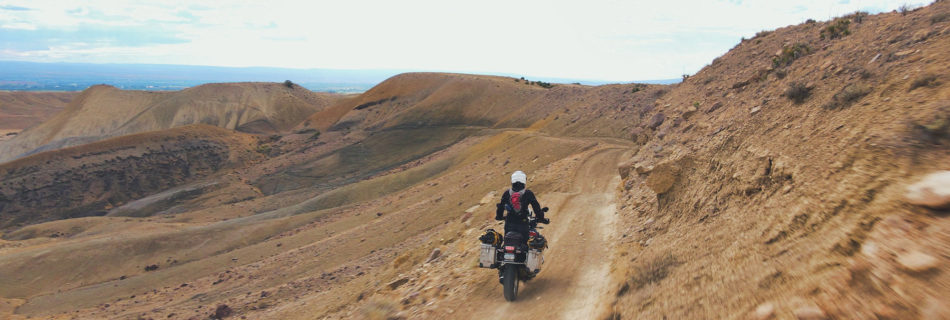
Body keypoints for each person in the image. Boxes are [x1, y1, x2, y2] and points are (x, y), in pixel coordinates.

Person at [495, 170, 549, 242]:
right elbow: (536, 208)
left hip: (509, 224)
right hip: (523, 224)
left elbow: (500, 207)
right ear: (524, 181)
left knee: (507, 242)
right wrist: (541, 218)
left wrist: (499, 216)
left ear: (512, 180)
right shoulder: (528, 193)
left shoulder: (507, 193)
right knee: (525, 245)